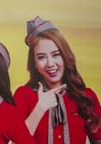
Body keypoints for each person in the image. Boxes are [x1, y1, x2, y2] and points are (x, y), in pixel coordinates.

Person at [14, 16, 101, 144]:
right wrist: (40, 108)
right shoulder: (24, 96)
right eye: (41, 57)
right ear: (34, 63)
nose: (50, 64)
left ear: (65, 56)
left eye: (56, 55)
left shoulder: (86, 97)